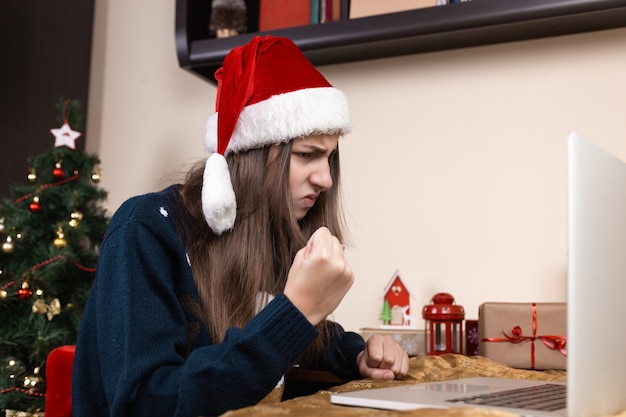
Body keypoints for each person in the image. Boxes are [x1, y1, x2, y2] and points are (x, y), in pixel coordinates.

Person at [72, 35, 409, 417]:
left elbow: (279, 327)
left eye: (329, 158)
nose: (326, 179)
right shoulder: (145, 232)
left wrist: (357, 353)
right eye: (307, 155)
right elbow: (144, 404)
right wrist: (296, 311)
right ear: (251, 155)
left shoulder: (262, 236)